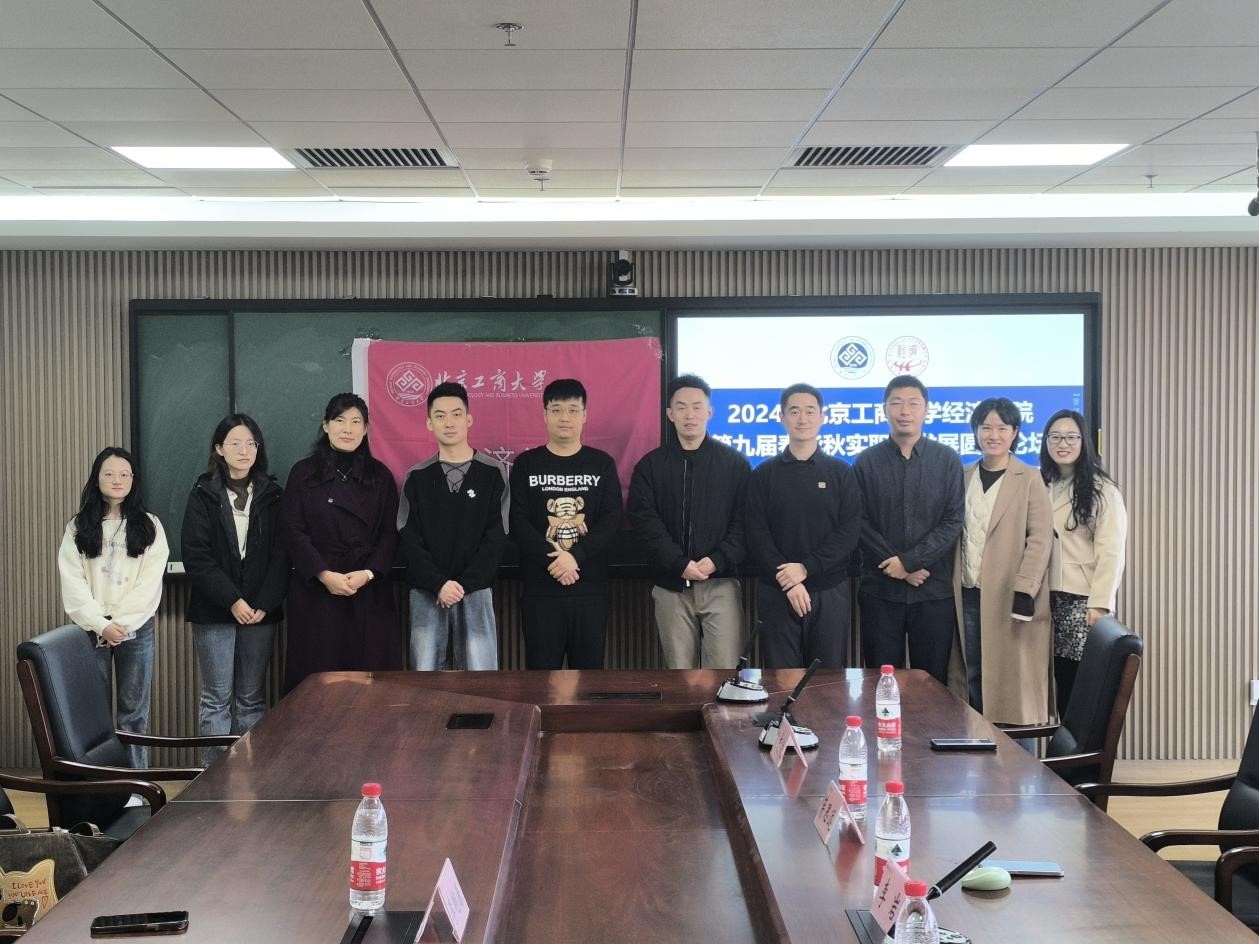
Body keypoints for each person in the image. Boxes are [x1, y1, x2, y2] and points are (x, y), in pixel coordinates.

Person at [181, 414, 288, 764]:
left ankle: (248, 775)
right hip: (215, 610)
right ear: (219, 449)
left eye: (251, 443)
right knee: (216, 699)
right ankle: (213, 779)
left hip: (261, 611)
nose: (244, 450)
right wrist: (232, 600)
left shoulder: (273, 495)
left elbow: (283, 554)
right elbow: (197, 555)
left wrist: (263, 602)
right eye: (235, 443)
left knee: (251, 699)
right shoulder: (203, 494)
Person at [281, 393, 403, 692]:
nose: (347, 429)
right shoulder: (303, 473)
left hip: (367, 589)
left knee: (371, 683)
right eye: (339, 420)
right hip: (317, 589)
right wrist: (324, 574)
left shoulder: (380, 476)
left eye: (355, 422)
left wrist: (368, 573)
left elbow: (390, 533)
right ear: (326, 425)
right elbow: (293, 531)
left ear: (366, 428)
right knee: (317, 681)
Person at [628, 374, 750, 669]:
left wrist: (718, 560)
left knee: (724, 672)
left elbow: (746, 521)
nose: (690, 414)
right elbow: (644, 521)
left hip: (720, 582)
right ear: (670, 414)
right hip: (671, 585)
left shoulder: (734, 464)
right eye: (681, 407)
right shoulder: (651, 465)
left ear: (710, 412)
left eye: (697, 407)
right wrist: (678, 562)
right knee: (680, 676)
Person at [57, 447, 169, 767]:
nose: (117, 480)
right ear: (96, 480)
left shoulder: (150, 525)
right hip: (91, 629)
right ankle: (101, 784)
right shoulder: (78, 526)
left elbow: (150, 582)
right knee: (93, 714)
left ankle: (135, 783)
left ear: (133, 480)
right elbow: (73, 581)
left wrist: (121, 623)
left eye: (124, 474)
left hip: (137, 629)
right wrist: (101, 623)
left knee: (134, 713)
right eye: (109, 474)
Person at [852, 375, 963, 684]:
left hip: (932, 592)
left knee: (932, 682)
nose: (905, 411)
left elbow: (953, 520)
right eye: (896, 403)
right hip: (880, 591)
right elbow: (859, 521)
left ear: (926, 409)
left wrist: (911, 562)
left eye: (913, 403)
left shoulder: (947, 460)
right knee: (880, 681)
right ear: (885, 409)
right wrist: (899, 567)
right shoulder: (866, 462)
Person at [951, 397, 1053, 728]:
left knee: (1010, 679)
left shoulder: (1029, 478)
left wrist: (1025, 588)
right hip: (968, 592)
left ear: (1015, 433)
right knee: (972, 671)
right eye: (986, 427)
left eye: (1002, 428)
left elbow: (1040, 538)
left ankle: (1014, 750)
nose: (993, 435)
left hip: (1011, 596)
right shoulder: (963, 476)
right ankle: (976, 741)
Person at [744, 383, 862, 668]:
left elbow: (848, 532)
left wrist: (806, 568)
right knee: (781, 679)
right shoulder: (763, 474)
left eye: (810, 411)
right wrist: (790, 579)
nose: (802, 418)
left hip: (829, 589)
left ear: (822, 417)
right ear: (782, 417)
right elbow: (756, 533)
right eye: (794, 411)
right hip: (777, 590)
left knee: (827, 680)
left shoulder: (841, 473)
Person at [509, 378, 622, 670]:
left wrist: (575, 557)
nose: (564, 417)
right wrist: (555, 560)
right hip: (541, 591)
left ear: (585, 415)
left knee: (589, 677)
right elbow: (517, 521)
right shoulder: (526, 464)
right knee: (541, 678)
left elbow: (611, 519)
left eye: (573, 410)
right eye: (556, 410)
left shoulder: (602, 464)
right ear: (544, 414)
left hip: (589, 590)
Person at [397, 382, 508, 671]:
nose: (449, 422)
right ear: (429, 423)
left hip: (476, 591)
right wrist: (438, 583)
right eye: (440, 415)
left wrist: (464, 585)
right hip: (427, 591)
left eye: (456, 414)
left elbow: (498, 535)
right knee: (425, 677)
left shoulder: (493, 472)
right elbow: (408, 537)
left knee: (481, 680)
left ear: (469, 419)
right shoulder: (417, 476)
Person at [1040, 408, 1127, 716]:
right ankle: (1062, 746)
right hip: (1046, 598)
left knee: (1080, 686)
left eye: (1071, 437)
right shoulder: (1043, 483)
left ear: (1083, 442)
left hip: (1082, 602)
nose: (1062, 444)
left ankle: (1080, 748)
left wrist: (1100, 603)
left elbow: (1111, 551)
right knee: (1055, 681)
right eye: (1055, 437)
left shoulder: (1103, 489)